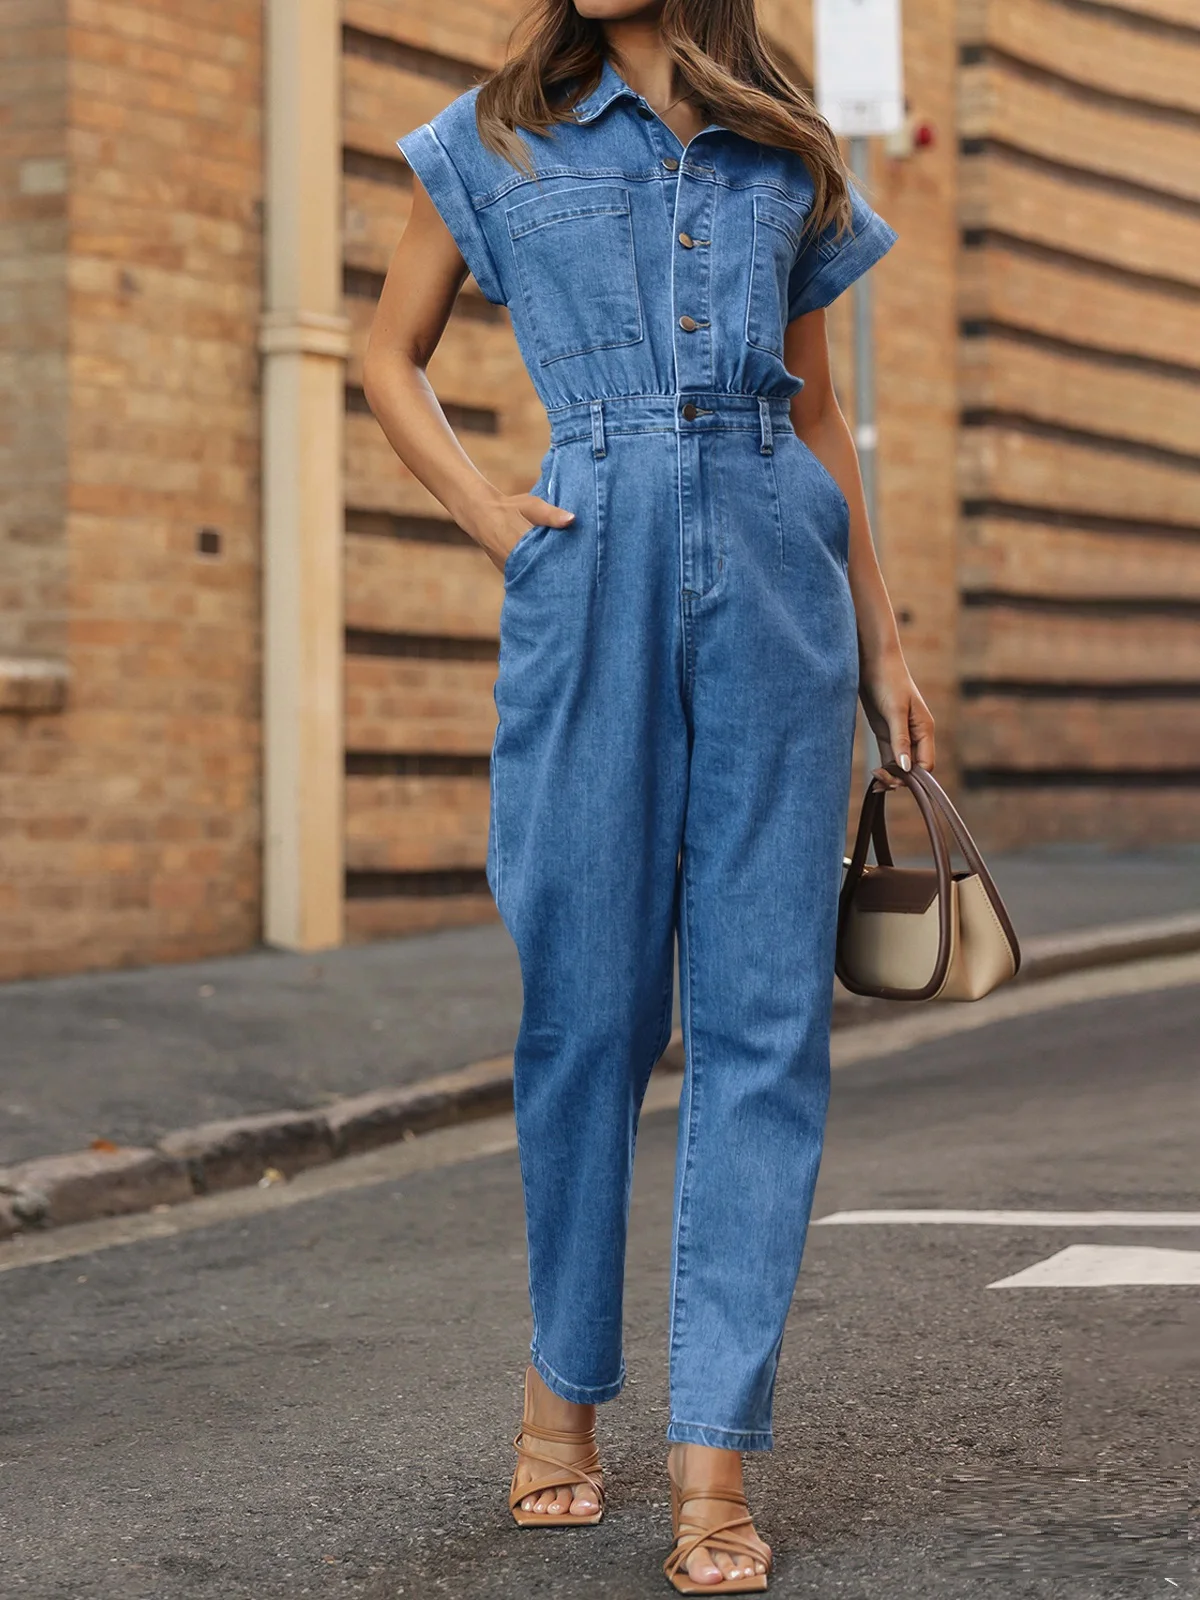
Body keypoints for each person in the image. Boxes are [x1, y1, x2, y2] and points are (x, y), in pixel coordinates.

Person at [364, 0, 936, 1590]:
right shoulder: (492, 134)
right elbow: (381, 355)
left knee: (765, 1021)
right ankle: (563, 1390)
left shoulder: (781, 141)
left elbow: (818, 410)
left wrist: (885, 646)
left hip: (775, 574)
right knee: (588, 1007)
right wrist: (493, 515)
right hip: (588, 551)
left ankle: (716, 1469)